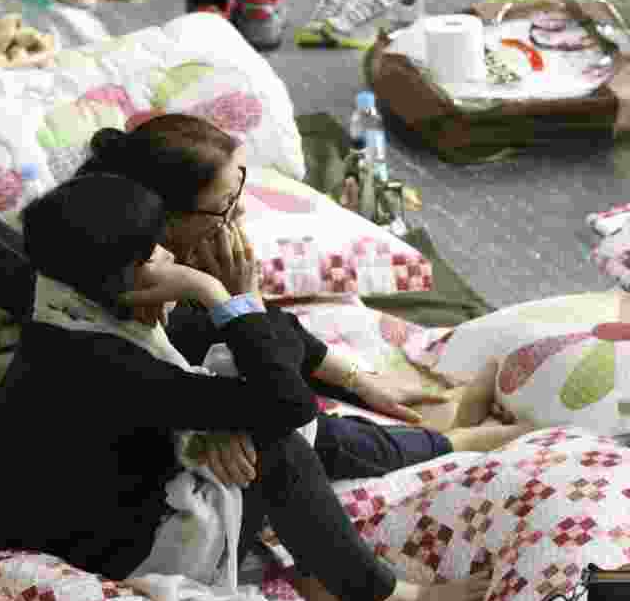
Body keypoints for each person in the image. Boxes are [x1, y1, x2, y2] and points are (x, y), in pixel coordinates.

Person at [0, 172, 493, 601]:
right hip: (100, 564)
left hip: (100, 526)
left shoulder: (76, 312)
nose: (167, 259)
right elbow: (288, 401)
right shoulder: (99, 359)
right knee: (276, 443)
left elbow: (279, 346)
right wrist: (219, 292)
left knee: (263, 407)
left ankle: (334, 580)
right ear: (127, 278)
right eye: (153, 254)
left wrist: (239, 341)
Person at [74, 114, 536, 475]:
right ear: (167, 219)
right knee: (311, 438)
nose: (241, 213)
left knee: (277, 338)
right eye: (224, 206)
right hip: (189, 432)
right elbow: (281, 402)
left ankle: (422, 419)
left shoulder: (183, 255)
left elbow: (271, 335)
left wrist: (356, 380)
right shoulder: (142, 293)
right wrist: (241, 304)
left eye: (240, 187)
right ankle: (457, 443)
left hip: (224, 380)